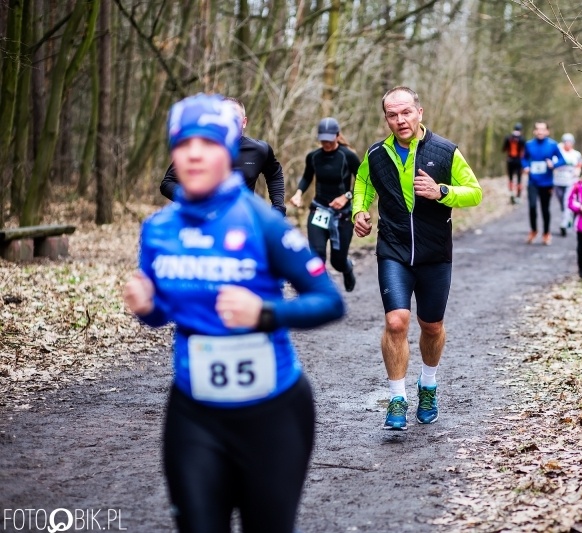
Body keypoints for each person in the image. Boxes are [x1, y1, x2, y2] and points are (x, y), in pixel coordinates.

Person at [123, 93, 345, 533]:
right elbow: (162, 313)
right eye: (183, 144)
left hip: (274, 412)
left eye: (207, 143)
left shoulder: (262, 222)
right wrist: (147, 307)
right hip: (194, 413)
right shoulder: (159, 230)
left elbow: (329, 301)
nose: (194, 154)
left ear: (227, 150)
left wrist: (265, 313)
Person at [352, 86, 482, 431]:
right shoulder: (376, 153)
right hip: (393, 250)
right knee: (396, 322)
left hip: (434, 253)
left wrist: (442, 192)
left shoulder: (445, 151)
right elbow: (363, 183)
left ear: (419, 112)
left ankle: (428, 385)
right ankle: (397, 397)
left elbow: (475, 193)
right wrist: (359, 211)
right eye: (392, 115)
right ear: (386, 118)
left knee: (432, 326)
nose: (400, 120)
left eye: (406, 112)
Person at [160, 96, 287, 215]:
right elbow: (168, 183)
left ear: (244, 122)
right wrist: (193, 201)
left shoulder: (259, 150)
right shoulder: (199, 150)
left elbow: (274, 174)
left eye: (234, 117)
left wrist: (278, 206)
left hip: (243, 220)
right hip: (201, 220)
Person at [289, 117, 361, 292]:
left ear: (337, 135)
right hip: (318, 211)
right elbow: (307, 177)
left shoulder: (348, 156)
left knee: (338, 262)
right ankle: (321, 291)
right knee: (317, 254)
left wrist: (346, 197)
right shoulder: (313, 157)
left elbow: (363, 181)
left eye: (329, 139)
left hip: (343, 215)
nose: (326, 143)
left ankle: (347, 268)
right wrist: (298, 193)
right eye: (323, 140)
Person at [522, 121, 565, 245]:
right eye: (538, 129)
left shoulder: (552, 144)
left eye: (543, 129)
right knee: (532, 207)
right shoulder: (529, 144)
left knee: (545, 209)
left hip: (546, 182)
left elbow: (562, 159)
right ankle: (533, 230)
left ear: (547, 131)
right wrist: (525, 166)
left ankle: (546, 233)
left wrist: (554, 164)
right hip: (532, 181)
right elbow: (524, 158)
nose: (540, 131)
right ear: (534, 131)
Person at [553, 133, 582, 236]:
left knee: (566, 201)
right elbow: (553, 165)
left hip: (570, 181)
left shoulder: (576, 154)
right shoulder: (558, 153)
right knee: (562, 202)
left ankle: (564, 224)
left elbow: (579, 165)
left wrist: (577, 172)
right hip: (558, 181)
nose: (568, 144)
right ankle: (568, 217)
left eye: (570, 142)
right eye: (566, 142)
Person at [501, 123, 526, 204]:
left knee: (510, 178)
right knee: (519, 178)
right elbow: (524, 151)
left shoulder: (508, 137)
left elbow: (503, 149)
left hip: (510, 160)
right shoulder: (522, 139)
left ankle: (511, 194)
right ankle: (518, 196)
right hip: (519, 161)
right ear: (521, 130)